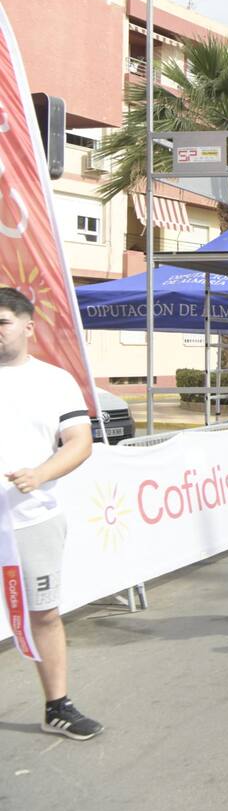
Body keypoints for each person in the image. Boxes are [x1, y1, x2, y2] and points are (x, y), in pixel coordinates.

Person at [0, 288, 102, 740]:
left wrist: (40, 474)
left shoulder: (55, 380)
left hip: (31, 518)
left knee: (43, 613)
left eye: (1, 322)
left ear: (27, 325)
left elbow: (80, 442)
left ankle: (57, 706)